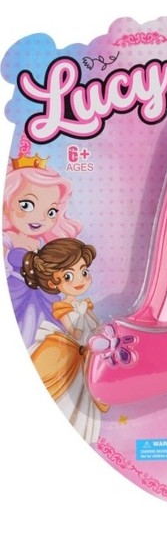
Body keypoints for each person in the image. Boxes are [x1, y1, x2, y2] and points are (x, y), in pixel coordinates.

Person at [22, 238, 107, 444]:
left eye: (84, 272)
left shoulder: (84, 304)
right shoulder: (63, 307)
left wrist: (99, 330)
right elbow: (72, 327)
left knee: (86, 388)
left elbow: (94, 321)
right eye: (69, 276)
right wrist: (78, 332)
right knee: (71, 389)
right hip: (72, 348)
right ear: (53, 283)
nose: (80, 280)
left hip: (88, 346)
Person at [3, 154, 81, 346]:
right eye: (27, 205)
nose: (41, 218)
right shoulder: (7, 239)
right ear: (6, 203)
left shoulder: (39, 244)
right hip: (16, 296)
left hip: (41, 295)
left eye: (51, 212)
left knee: (47, 331)